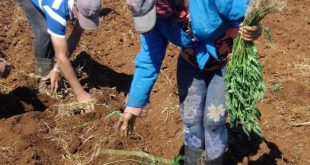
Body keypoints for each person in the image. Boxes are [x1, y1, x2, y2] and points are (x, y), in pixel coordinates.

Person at [116, 0, 262, 164]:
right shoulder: (156, 18)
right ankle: (192, 161)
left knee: (214, 122)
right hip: (190, 64)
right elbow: (149, 59)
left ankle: (214, 161)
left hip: (225, 66)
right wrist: (133, 106)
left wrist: (253, 26)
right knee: (191, 119)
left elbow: (245, 14)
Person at [17, 0, 101, 110]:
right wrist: (80, 93)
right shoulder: (56, 10)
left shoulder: (88, 4)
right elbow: (61, 56)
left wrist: (57, 69)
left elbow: (76, 34)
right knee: (44, 32)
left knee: (54, 33)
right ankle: (43, 76)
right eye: (83, 17)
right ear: (75, 5)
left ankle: (53, 70)